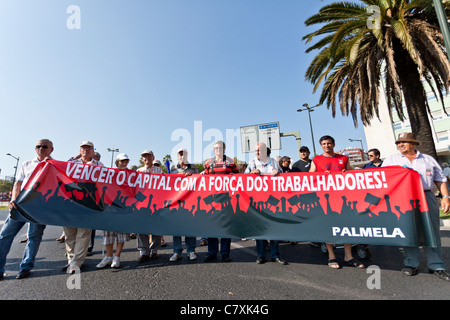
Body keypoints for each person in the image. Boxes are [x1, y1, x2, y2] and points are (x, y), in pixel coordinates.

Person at [382, 132, 450, 281]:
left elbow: (440, 179)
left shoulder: (428, 160)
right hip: (403, 199)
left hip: (426, 196)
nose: (400, 145)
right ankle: (411, 264)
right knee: (408, 230)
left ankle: (436, 265)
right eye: (399, 143)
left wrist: (445, 197)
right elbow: (381, 178)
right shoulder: (391, 160)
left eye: (404, 142)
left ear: (414, 144)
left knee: (431, 231)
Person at [0, 139, 53, 280]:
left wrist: (50, 162)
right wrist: (13, 199)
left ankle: (25, 267)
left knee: (34, 237)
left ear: (51, 149)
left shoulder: (55, 165)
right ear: (35, 149)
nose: (41, 148)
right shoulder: (26, 164)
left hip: (39, 208)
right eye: (38, 146)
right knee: (4, 235)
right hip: (21, 205)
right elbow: (18, 182)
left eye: (44, 146)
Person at [310, 135, 364, 269]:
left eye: (329, 143)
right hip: (326, 199)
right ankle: (331, 256)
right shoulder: (316, 160)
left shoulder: (343, 158)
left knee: (346, 226)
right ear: (321, 146)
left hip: (343, 199)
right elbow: (310, 176)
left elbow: (351, 173)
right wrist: (321, 175)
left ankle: (348, 256)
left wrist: (347, 172)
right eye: (323, 144)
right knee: (328, 227)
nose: (326, 146)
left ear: (333, 144)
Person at [62, 141, 104, 274]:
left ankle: (76, 262)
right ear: (79, 150)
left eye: (88, 148)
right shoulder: (72, 163)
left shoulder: (99, 165)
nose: (85, 150)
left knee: (84, 234)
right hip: (71, 204)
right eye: (83, 148)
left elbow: (105, 183)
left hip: (89, 204)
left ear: (93, 150)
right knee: (69, 234)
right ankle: (70, 259)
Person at [245, 142, 287, 265]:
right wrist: (252, 173)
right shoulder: (252, 163)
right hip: (258, 200)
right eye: (256, 151)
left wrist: (277, 173)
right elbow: (244, 178)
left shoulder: (273, 161)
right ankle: (260, 255)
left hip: (272, 200)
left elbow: (284, 177)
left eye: (259, 150)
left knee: (274, 228)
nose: (257, 153)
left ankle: (275, 255)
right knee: (260, 230)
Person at [203, 140, 239, 262]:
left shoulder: (230, 161)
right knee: (212, 226)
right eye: (215, 148)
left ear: (224, 149)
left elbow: (238, 177)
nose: (217, 150)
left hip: (226, 199)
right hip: (212, 199)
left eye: (219, 148)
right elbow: (204, 180)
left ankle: (225, 253)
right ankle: (212, 252)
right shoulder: (208, 163)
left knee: (225, 226)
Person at [96, 153, 131, 269]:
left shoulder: (132, 175)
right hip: (110, 208)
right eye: (122, 161)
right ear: (117, 162)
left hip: (123, 208)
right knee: (108, 234)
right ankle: (109, 256)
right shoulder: (110, 173)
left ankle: (117, 257)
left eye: (126, 161)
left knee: (121, 234)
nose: (124, 163)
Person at [169, 148, 199, 262]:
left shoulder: (194, 167)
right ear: (177, 156)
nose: (182, 155)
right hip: (176, 202)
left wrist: (192, 176)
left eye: (184, 154)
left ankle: (191, 250)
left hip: (190, 202)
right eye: (180, 154)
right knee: (176, 228)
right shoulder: (173, 169)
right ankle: (177, 251)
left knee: (189, 227)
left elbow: (199, 182)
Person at [136, 149, 163, 262]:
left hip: (156, 202)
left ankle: (154, 250)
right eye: (144, 156)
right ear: (142, 159)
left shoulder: (159, 170)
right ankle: (144, 251)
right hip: (142, 203)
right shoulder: (139, 171)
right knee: (141, 226)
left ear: (153, 157)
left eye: (148, 156)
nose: (146, 158)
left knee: (156, 227)